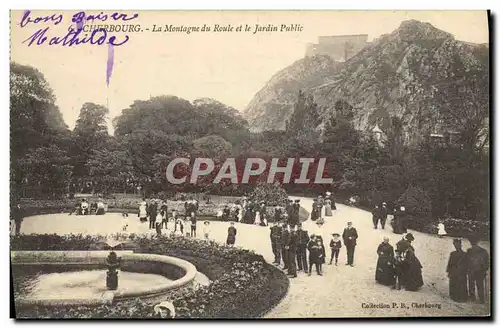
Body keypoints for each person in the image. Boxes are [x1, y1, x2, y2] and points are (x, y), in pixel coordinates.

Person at [466, 236, 489, 304]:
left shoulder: (482, 251)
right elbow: (467, 261)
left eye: (473, 241)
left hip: (478, 271)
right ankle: (475, 298)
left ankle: (480, 299)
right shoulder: (469, 251)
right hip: (474, 271)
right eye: (472, 242)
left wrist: (485, 269)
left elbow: (486, 262)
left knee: (477, 285)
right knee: (474, 285)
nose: (472, 243)